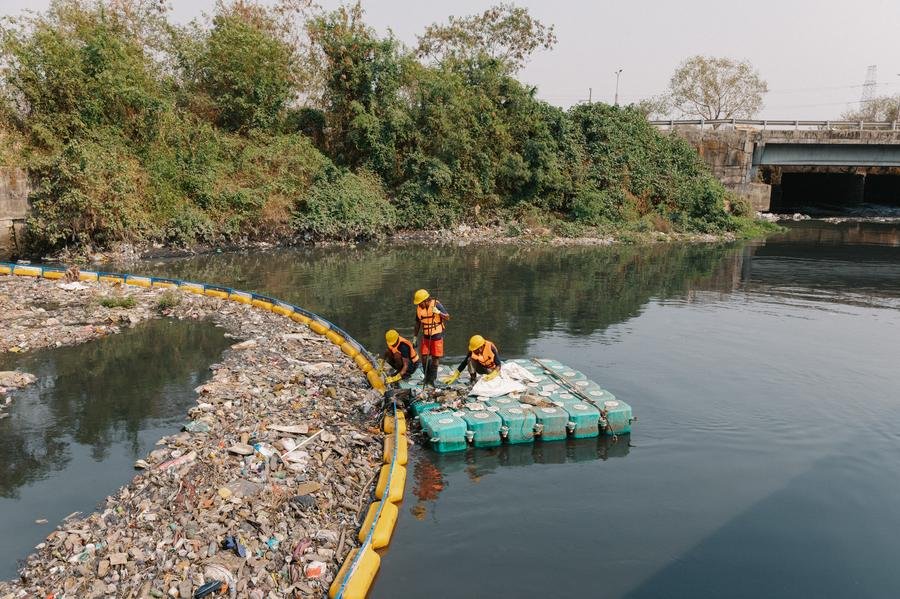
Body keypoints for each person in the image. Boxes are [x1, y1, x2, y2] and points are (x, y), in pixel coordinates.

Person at [412, 289, 449, 386]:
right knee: (424, 356)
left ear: (426, 300)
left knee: (435, 357)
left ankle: (433, 379)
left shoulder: (436, 305)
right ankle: (426, 378)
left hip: (437, 334)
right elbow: (417, 323)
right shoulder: (419, 309)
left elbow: (447, 317)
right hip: (426, 335)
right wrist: (415, 337)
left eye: (420, 303)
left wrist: (438, 312)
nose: (419, 305)